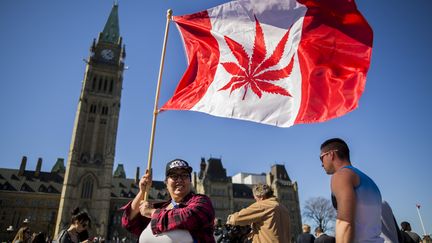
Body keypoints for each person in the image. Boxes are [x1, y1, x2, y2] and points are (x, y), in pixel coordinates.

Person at [121, 159, 215, 243]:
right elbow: (129, 221)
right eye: (174, 176)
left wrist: (151, 212)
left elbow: (188, 217)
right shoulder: (161, 208)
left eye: (184, 175)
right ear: (166, 183)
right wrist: (142, 191)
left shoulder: (202, 201)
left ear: (190, 181)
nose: (179, 179)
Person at [320, 138, 383, 243]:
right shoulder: (368, 180)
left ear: (331, 154)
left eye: (321, 158)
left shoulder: (341, 175)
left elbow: (345, 222)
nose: (321, 164)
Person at [226, 183, 291, 243]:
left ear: (261, 197)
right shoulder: (284, 209)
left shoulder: (263, 205)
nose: (256, 201)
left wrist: (229, 218)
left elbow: (236, 219)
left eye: (256, 199)